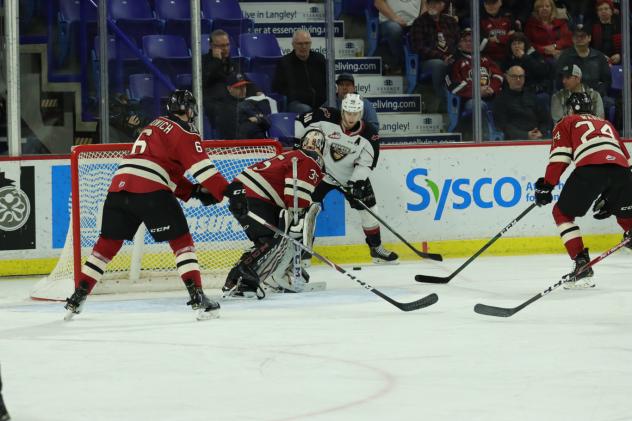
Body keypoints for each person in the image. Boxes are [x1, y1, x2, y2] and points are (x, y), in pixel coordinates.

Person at [64, 90, 248, 320]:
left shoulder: (154, 126)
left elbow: (165, 170)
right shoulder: (185, 131)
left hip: (118, 189)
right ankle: (198, 297)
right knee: (182, 243)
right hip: (150, 191)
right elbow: (203, 168)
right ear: (191, 110)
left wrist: (193, 192)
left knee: (105, 246)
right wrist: (228, 191)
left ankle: (77, 297)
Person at [533, 92, 632, 289]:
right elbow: (626, 160)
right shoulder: (606, 124)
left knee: (561, 213)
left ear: (570, 108)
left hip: (590, 169)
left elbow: (560, 157)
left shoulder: (566, 121)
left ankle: (581, 265)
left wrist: (547, 186)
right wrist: (614, 197)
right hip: (623, 171)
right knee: (625, 212)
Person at [295, 94, 399, 264]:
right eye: (348, 113)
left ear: (361, 113)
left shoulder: (370, 135)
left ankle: (376, 249)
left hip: (350, 176)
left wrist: (356, 182)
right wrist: (297, 144)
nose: (351, 117)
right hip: (321, 173)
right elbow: (300, 120)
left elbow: (366, 164)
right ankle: (304, 251)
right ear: (342, 111)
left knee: (369, 211)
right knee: (307, 210)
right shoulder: (326, 116)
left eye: (355, 113)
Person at [222, 129, 325, 298]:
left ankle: (241, 281)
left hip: (244, 194)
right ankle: (244, 274)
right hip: (254, 195)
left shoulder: (295, 155)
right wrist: (300, 217)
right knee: (270, 239)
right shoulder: (311, 159)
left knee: (266, 241)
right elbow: (295, 197)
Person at [410, 0, 459, 112]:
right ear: (426, 5)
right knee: (439, 64)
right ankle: (448, 103)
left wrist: (453, 55)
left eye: (436, 3)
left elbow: (459, 42)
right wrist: (442, 57)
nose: (433, 6)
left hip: (452, 57)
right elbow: (419, 47)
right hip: (429, 62)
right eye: (430, 3)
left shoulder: (450, 21)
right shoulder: (419, 22)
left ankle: (458, 99)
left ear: (443, 5)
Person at [446, 28, 504, 112]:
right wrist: (476, 91)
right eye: (465, 41)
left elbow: (498, 76)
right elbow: (453, 85)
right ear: (459, 44)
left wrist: (491, 88)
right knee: (478, 106)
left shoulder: (486, 59)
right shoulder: (455, 61)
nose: (469, 43)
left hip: (490, 95)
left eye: (472, 40)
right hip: (469, 99)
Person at [272, 30, 327, 114]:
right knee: (307, 111)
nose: (304, 46)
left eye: (306, 43)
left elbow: (327, 82)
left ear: (310, 44)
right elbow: (278, 87)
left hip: (321, 102)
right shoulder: (284, 62)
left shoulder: (319, 59)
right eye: (300, 44)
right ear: (293, 45)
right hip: (297, 103)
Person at [492, 65, 550, 140]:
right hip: (513, 141)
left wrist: (541, 132)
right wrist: (525, 135)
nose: (518, 79)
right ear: (507, 78)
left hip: (536, 138)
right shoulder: (500, 100)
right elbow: (503, 126)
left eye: (521, 76)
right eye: (514, 76)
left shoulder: (532, 97)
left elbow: (545, 119)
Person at [556, 24, 612, 99]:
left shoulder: (599, 56)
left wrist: (597, 94)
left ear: (589, 38)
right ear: (572, 39)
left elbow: (607, 81)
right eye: (576, 36)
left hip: (595, 96)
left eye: (582, 36)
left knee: (608, 102)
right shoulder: (565, 56)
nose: (579, 39)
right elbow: (559, 80)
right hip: (571, 96)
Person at [374, 0, 423, 75]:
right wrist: (395, 18)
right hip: (389, 21)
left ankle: (419, 68)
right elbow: (378, 2)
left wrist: (421, 19)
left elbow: (425, 4)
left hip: (413, 23)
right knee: (394, 29)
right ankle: (399, 65)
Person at [480, 0, 520, 65]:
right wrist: (506, 38)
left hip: (509, 58)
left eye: (493, 3)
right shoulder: (480, 20)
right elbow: (483, 44)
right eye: (487, 4)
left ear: (500, 3)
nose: (491, 6)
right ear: (484, 5)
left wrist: (498, 39)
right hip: (488, 59)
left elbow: (516, 37)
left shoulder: (509, 17)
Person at [590, 0, 621, 65]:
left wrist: (620, 55)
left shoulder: (620, 26)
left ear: (611, 11)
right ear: (597, 13)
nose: (603, 11)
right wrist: (599, 56)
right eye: (600, 9)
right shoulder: (592, 26)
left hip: (619, 62)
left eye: (606, 9)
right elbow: (589, 47)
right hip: (597, 62)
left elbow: (628, 44)